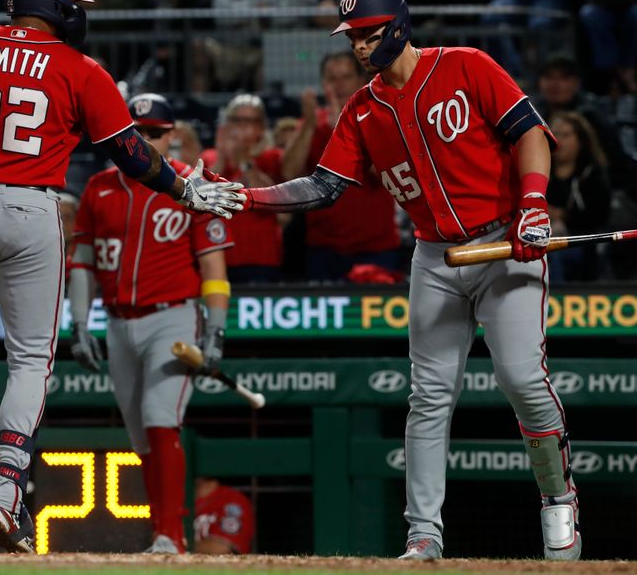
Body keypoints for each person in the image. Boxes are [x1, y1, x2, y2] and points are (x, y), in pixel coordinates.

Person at [0, 0, 244, 554]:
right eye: (73, 1)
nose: (78, 10)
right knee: (27, 358)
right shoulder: (78, 66)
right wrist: (184, 188)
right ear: (55, 4)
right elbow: (129, 150)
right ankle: (4, 488)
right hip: (31, 210)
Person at [235, 0, 581, 561]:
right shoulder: (363, 109)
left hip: (503, 240)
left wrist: (535, 205)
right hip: (435, 256)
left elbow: (528, 133)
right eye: (354, 38)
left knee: (522, 379)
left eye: (370, 34)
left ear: (396, 26)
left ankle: (558, 498)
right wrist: (245, 197)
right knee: (428, 396)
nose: (362, 47)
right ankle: (424, 535)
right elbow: (322, 187)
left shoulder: (465, 65)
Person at [68, 93, 234, 554]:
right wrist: (80, 325)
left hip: (174, 317)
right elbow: (81, 260)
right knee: (140, 436)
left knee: (161, 419)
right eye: (136, 132)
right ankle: (163, 532)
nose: (145, 140)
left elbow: (214, 269)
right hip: (118, 323)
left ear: (172, 135)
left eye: (155, 132)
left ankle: (170, 535)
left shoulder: (195, 185)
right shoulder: (99, 187)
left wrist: (216, 333)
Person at [282, 51, 400, 281]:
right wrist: (308, 126)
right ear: (323, 84)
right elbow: (288, 172)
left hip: (376, 247)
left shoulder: (381, 117)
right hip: (323, 249)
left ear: (360, 80)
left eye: (345, 77)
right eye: (332, 79)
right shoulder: (312, 125)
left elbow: (387, 172)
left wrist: (344, 128)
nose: (339, 85)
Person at [207, 0, 319, 90]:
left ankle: (267, 109)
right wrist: (255, 11)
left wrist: (262, 14)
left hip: (281, 52)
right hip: (235, 49)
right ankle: (198, 106)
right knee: (199, 50)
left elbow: (293, 16)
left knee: (269, 66)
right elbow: (221, 14)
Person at [202, 95, 285, 283]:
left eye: (250, 121)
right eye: (237, 121)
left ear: (262, 128)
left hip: (262, 260)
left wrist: (246, 162)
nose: (243, 128)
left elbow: (271, 201)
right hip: (220, 259)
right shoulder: (209, 158)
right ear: (226, 125)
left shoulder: (271, 158)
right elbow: (201, 198)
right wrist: (222, 157)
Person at [547, 112, 611, 282]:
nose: (558, 140)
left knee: (553, 255)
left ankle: (557, 303)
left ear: (581, 141)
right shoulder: (541, 172)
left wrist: (561, 216)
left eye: (566, 135)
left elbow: (597, 217)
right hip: (542, 238)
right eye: (555, 134)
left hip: (581, 243)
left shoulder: (593, 175)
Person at [193, 477, 255, 554]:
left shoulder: (232, 499)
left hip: (218, 565)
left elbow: (221, 548)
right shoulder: (177, 499)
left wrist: (177, 547)